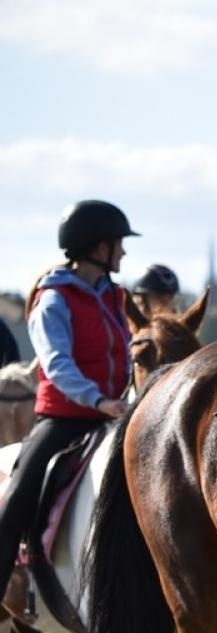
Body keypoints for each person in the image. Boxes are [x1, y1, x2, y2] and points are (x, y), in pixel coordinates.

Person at [0, 200, 137, 589]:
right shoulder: (53, 300)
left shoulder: (115, 296)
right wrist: (97, 400)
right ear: (98, 249)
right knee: (16, 502)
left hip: (115, 413)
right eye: (118, 244)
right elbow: (57, 365)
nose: (123, 252)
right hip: (63, 419)